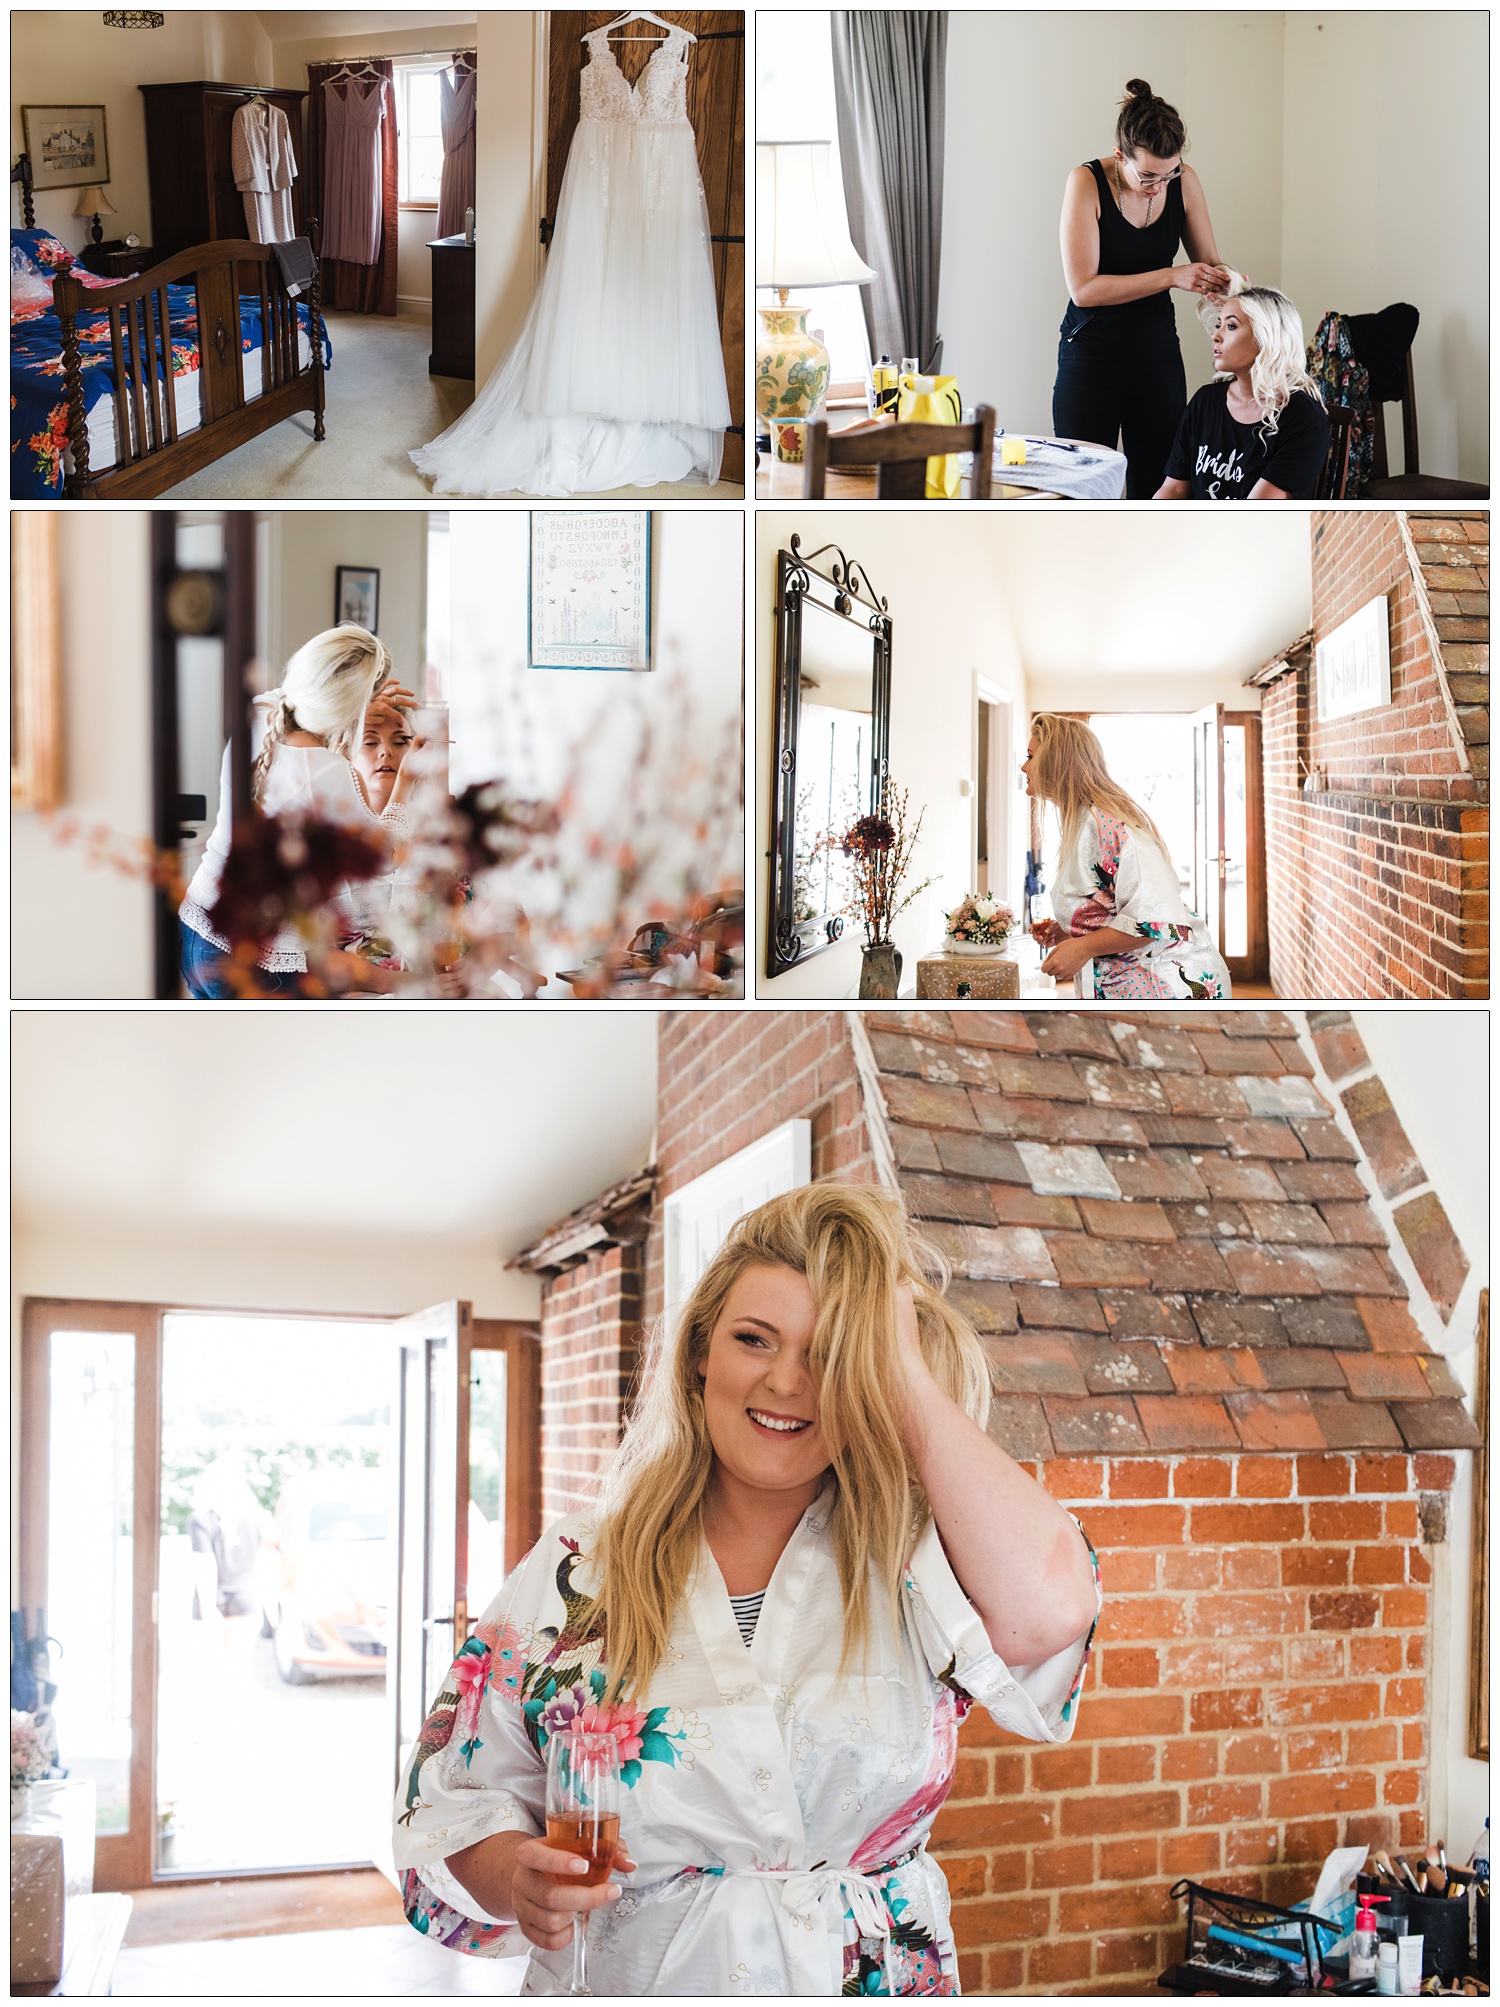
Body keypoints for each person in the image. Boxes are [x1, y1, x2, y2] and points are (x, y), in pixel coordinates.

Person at [392, 1185, 1101, 1994]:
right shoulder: (574, 1569)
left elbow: (1052, 1612)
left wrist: (899, 1366)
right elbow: (455, 1802)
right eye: (754, 1339)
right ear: (701, 1353)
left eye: (830, 1353)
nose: (788, 1383)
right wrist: (519, 1874)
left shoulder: (920, 1561)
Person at [178, 625, 419, 998]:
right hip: (257, 956)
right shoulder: (325, 770)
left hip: (199, 927)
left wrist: (355, 706)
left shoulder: (260, 715)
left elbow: (291, 697)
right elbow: (384, 856)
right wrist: (407, 777)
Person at [1054, 79, 1234, 498]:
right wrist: (1172, 276)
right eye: (1149, 174)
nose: (1160, 186)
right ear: (1120, 156)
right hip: (1091, 353)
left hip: (1156, 353)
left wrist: (1227, 281)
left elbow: (1210, 261)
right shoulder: (1085, 183)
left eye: (1171, 173)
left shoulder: (1183, 182)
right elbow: (1084, 289)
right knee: (1082, 486)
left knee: (1161, 482)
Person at [1024, 713, 1232, 1000]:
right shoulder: (1082, 822)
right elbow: (1110, 903)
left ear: (1055, 761)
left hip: (1166, 987)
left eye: (1030, 756)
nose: (1024, 767)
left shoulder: (1113, 825)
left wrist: (1083, 947)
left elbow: (1156, 920)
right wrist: (1069, 930)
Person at [1156, 282, 1331, 499]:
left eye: (1231, 326)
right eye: (1218, 325)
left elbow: (1254, 513)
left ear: (1266, 337)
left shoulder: (1303, 417)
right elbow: (1173, 488)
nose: (1215, 336)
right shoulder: (1206, 401)